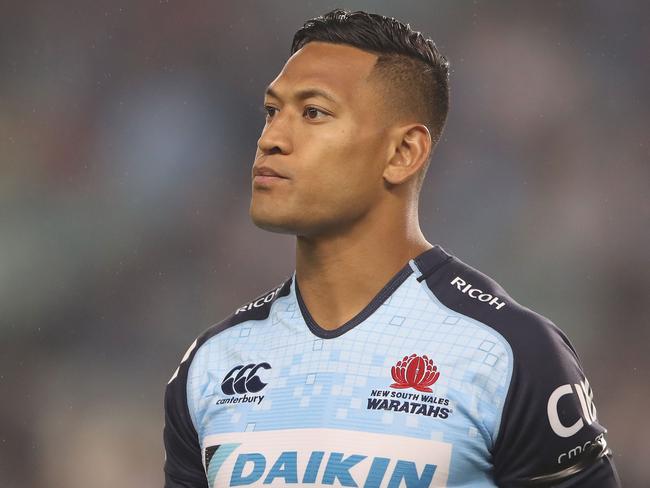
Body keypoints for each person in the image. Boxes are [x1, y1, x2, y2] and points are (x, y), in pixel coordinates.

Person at [163, 8, 620, 487]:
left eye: (313, 112)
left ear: (403, 153)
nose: (271, 139)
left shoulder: (510, 354)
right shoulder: (213, 363)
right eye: (272, 112)